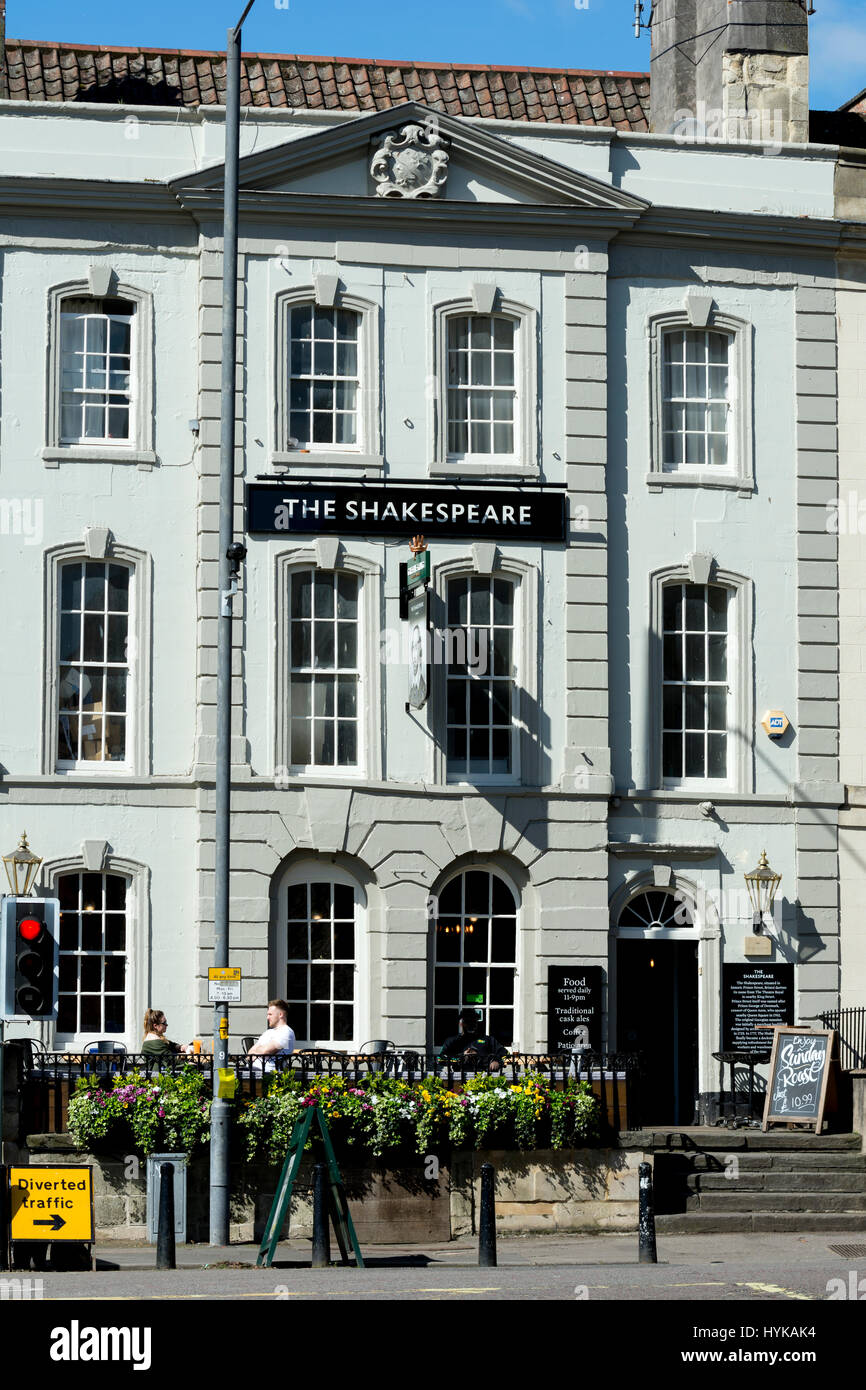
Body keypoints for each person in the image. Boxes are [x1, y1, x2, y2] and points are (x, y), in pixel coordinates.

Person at [438, 1008, 508, 1072]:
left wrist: (497, 1061)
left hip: (484, 1078)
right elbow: (440, 1059)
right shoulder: (453, 1041)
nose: (471, 1024)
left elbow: (506, 1054)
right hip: (459, 1079)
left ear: (477, 1023)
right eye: (468, 1021)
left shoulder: (488, 1040)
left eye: (474, 1021)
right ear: (461, 1023)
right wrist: (461, 1057)